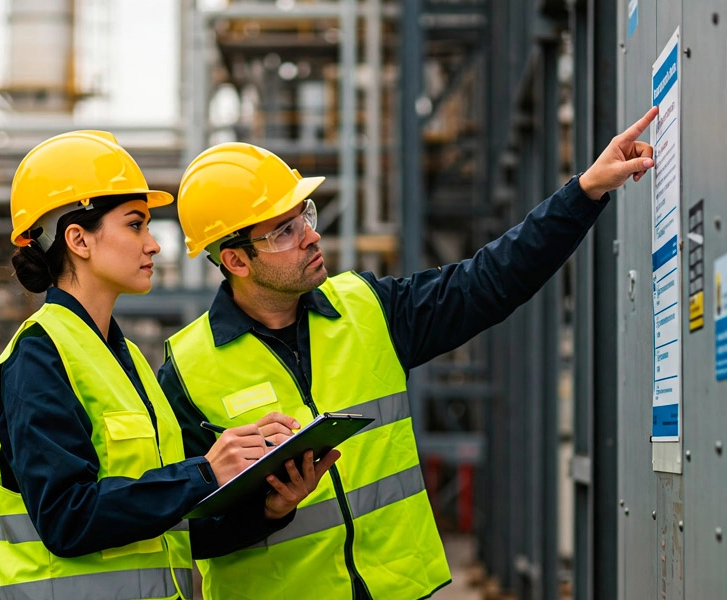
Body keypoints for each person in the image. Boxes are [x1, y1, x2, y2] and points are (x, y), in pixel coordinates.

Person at [159, 106, 659, 599]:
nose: (311, 236)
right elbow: (183, 533)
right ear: (235, 260)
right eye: (284, 231)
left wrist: (586, 190)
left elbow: (489, 281)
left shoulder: (367, 308)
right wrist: (267, 511)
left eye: (304, 215)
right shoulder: (188, 369)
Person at [0, 130, 338, 600]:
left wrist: (269, 509)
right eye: (136, 225)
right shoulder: (38, 357)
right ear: (78, 239)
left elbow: (169, 532)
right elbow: (66, 519)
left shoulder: (125, 358)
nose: (153, 245)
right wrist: (205, 472)